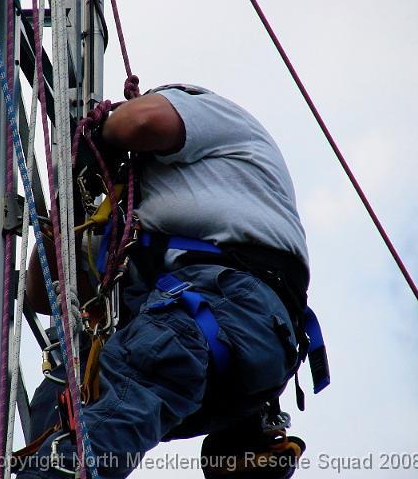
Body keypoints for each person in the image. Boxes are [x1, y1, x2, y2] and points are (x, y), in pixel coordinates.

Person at [21, 84, 312, 478]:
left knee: (133, 378)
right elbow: (45, 296)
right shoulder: (133, 215)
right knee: (62, 405)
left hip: (224, 306)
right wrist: (67, 208)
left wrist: (102, 132)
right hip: (222, 360)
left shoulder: (215, 114)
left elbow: (142, 121)